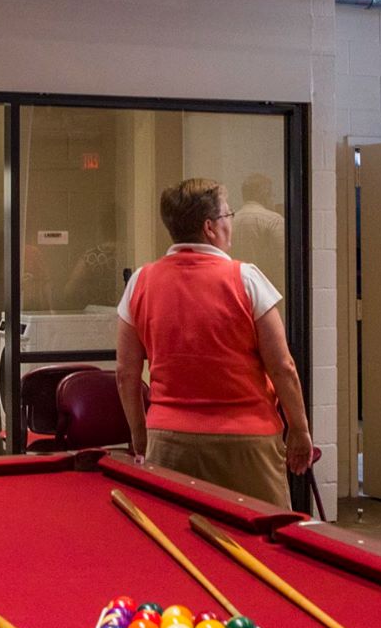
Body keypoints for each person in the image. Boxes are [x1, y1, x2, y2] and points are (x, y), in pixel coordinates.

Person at [117, 179, 313, 508]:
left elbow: (126, 372)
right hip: (246, 442)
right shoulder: (246, 278)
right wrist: (300, 429)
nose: (230, 223)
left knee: (175, 542)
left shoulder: (141, 281)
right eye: (228, 214)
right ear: (210, 227)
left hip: (168, 440)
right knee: (260, 542)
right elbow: (282, 367)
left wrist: (140, 434)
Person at [234, 172, 287, 292]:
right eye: (272, 195)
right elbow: (283, 263)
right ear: (264, 194)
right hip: (267, 291)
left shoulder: (231, 220)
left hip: (237, 290)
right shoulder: (274, 220)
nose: (273, 199)